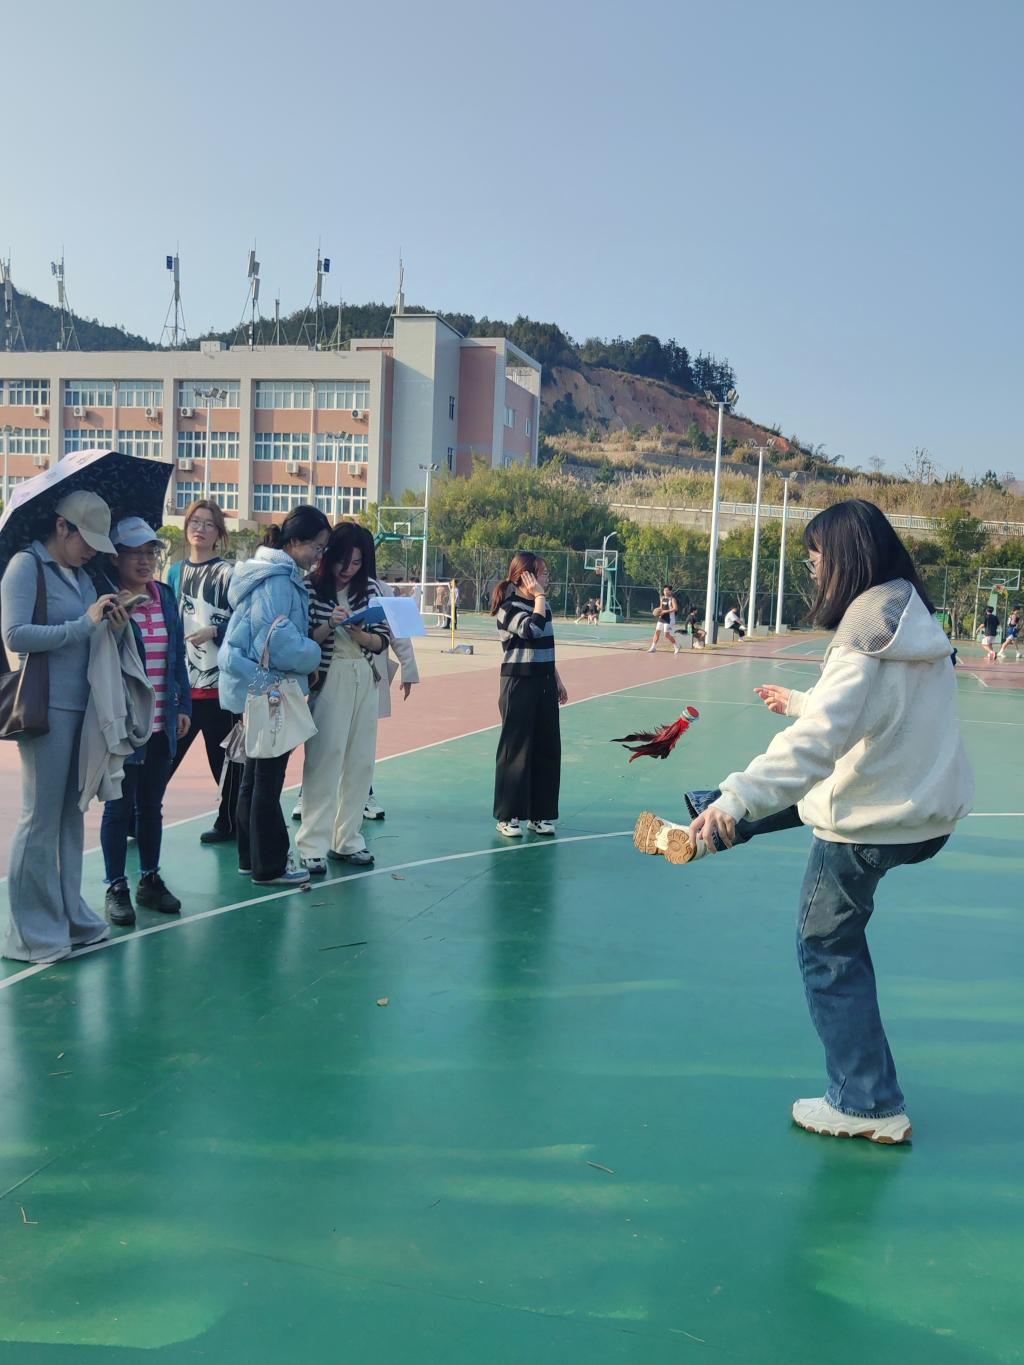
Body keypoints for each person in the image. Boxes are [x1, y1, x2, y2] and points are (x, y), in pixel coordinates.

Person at [633, 500, 974, 1144]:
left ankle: (867, 1104)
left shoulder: (860, 634)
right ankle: (710, 820)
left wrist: (740, 794)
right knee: (805, 793)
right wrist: (800, 701)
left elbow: (816, 745)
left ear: (845, 557)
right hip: (925, 812)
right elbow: (872, 709)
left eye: (816, 555)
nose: (812, 568)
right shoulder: (911, 617)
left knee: (827, 949)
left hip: (869, 826)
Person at [1, 491, 129, 963]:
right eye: (87, 539)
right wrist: (82, 624)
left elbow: (91, 632)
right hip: (45, 708)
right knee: (39, 818)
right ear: (62, 527)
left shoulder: (82, 575)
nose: (92, 550)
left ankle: (68, 917)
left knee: (71, 816)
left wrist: (114, 622)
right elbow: (15, 634)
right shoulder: (25, 566)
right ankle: (31, 934)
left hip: (84, 707)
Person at [218, 506, 329, 886]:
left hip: (253, 686)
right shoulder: (279, 581)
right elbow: (278, 642)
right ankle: (270, 866)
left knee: (253, 777)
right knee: (266, 780)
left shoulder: (262, 573)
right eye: (317, 547)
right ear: (295, 542)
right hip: (270, 689)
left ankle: (250, 858)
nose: (319, 556)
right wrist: (312, 654)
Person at [100, 518, 192, 926]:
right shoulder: (107, 601)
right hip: (125, 722)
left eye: (150, 552)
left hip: (161, 720)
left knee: (151, 806)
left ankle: (149, 879)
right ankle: (116, 886)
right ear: (115, 557)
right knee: (118, 808)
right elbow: (100, 659)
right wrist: (116, 624)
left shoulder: (165, 595)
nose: (144, 560)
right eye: (134, 553)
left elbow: (177, 657)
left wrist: (183, 705)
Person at [296, 521, 391, 873]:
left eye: (356, 562)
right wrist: (330, 625)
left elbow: (381, 640)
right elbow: (303, 640)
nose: (348, 569)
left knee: (360, 760)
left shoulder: (371, 590)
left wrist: (360, 634)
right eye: (342, 560)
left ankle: (348, 839)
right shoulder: (309, 588)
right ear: (329, 555)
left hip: (364, 675)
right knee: (324, 758)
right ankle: (312, 845)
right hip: (328, 676)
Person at [166, 499, 240, 844]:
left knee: (224, 762)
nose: (200, 529)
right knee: (163, 758)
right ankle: (139, 817)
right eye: (195, 521)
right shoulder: (174, 572)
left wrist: (215, 630)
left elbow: (243, 623)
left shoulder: (228, 573)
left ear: (219, 533)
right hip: (181, 689)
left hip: (219, 688)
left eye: (209, 524)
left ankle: (230, 823)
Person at [491, 551, 568, 838]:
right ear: (526, 576)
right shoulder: (509, 607)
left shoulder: (542, 605)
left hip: (544, 682)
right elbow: (531, 630)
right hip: (519, 684)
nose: (546, 578)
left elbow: (544, 644)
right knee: (516, 752)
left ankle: (540, 815)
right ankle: (508, 815)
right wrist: (539, 597)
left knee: (547, 749)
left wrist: (556, 678)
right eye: (543, 573)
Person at [647, 586, 681, 654]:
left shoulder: (672, 599)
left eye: (667, 590)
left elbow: (675, 608)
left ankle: (677, 646)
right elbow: (661, 607)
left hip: (669, 618)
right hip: (662, 617)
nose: (665, 592)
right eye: (664, 590)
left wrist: (665, 611)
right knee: (657, 632)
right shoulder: (662, 598)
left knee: (666, 634)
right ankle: (653, 647)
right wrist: (657, 610)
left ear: (670, 591)